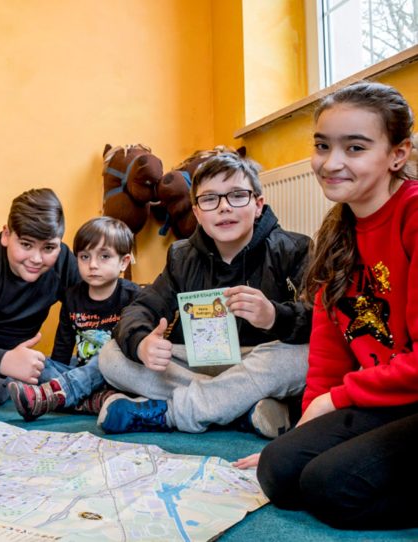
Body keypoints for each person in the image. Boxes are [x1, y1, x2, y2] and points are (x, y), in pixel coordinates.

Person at [254, 81, 418, 530]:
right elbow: (328, 353)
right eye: (323, 146)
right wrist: (307, 426)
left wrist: (337, 401)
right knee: (278, 472)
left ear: (397, 155)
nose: (331, 163)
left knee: (332, 489)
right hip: (389, 398)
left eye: (355, 147)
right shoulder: (336, 233)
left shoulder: (413, 215)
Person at [97, 152, 312, 438]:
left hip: (261, 360)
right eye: (210, 199)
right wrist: (141, 343)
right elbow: (142, 307)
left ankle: (171, 413)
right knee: (110, 355)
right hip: (201, 363)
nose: (224, 208)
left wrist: (275, 316)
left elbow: (319, 320)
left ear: (258, 204)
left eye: (237, 195)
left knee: (304, 358)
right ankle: (238, 408)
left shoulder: (295, 249)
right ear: (197, 211)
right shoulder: (181, 255)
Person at [0, 188, 81, 415]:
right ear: (6, 235)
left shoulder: (63, 260)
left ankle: (30, 387)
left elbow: (94, 307)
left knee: (100, 368)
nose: (36, 259)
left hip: (28, 365)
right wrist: (6, 361)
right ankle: (24, 387)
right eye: (26, 245)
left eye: (48, 248)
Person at [7, 216, 140, 420]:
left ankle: (57, 395)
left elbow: (135, 346)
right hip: (81, 371)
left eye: (104, 257)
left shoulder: (133, 296)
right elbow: (63, 344)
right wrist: (56, 369)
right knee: (36, 365)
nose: (93, 265)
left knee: (108, 357)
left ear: (124, 262)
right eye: (84, 257)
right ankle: (91, 401)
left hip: (118, 374)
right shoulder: (72, 297)